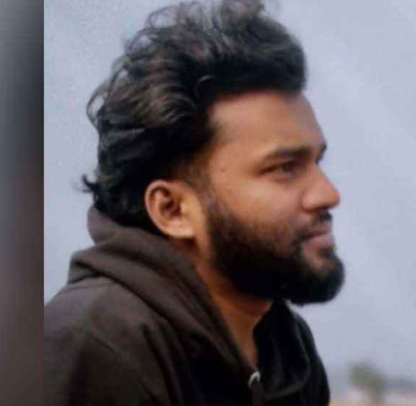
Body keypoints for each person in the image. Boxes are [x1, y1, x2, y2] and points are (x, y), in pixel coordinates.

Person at [44, 1, 345, 405]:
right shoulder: (94, 347)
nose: (328, 194)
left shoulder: (285, 351)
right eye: (284, 168)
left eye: (316, 161)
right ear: (172, 210)